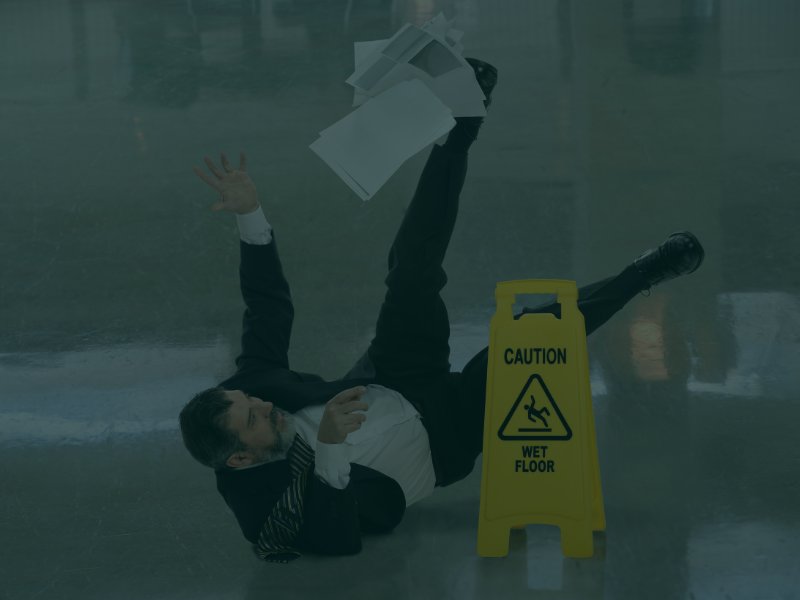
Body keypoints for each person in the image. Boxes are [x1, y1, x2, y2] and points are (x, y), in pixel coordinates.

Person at [179, 59, 704, 563]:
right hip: (443, 439)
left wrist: (250, 215)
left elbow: (267, 307)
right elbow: (342, 538)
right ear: (240, 458)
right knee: (527, 342)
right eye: (253, 417)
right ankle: (643, 274)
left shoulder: (256, 391)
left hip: (391, 377)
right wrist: (332, 447)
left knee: (411, 270)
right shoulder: (260, 511)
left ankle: (461, 124)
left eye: (250, 399)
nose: (264, 404)